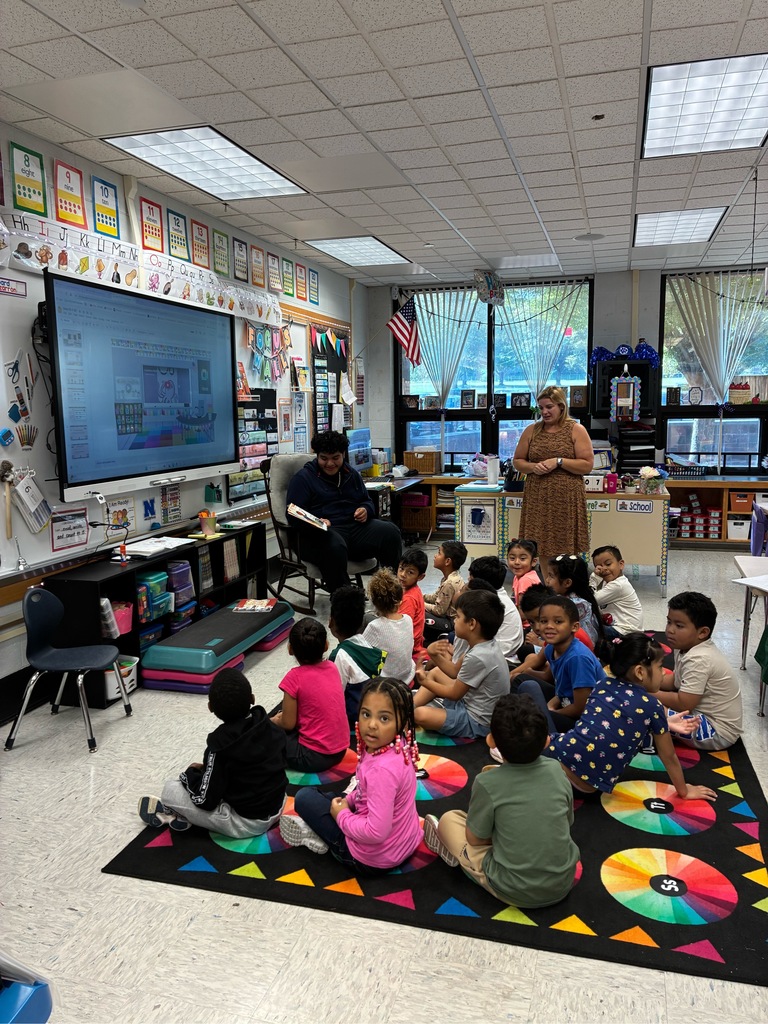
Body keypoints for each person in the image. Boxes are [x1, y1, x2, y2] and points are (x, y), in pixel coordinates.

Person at [423, 694, 579, 908]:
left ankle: (461, 857)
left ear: (491, 741)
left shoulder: (488, 782)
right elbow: (567, 821)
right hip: (563, 882)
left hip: (512, 888)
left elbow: (475, 839)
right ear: (546, 741)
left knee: (450, 820)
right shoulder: (556, 770)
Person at [541, 632, 718, 801]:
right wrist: (684, 791)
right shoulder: (652, 705)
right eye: (659, 666)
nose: (664, 672)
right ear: (640, 672)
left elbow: (613, 721)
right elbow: (669, 756)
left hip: (555, 758)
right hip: (586, 787)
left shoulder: (603, 684)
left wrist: (665, 722)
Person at [279, 678, 422, 873]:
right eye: (366, 714)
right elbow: (371, 792)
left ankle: (318, 834)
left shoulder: (381, 771)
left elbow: (376, 832)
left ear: (402, 722)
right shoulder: (399, 744)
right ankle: (334, 815)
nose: (372, 725)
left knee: (305, 798)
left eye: (384, 718)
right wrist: (350, 801)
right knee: (338, 799)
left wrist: (342, 815)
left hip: (371, 859)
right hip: (405, 842)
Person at [138, 668, 287, 837]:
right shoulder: (270, 727)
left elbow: (205, 800)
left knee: (170, 790)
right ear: (252, 699)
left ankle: (177, 811)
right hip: (278, 804)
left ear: (210, 708)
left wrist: (190, 775)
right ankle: (186, 816)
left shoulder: (219, 747)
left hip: (247, 823)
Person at [285, 430, 402, 594]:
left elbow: (367, 501)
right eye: (324, 458)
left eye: (335, 458)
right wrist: (316, 522)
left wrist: (365, 510)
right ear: (317, 456)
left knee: (390, 532)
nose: (330, 463)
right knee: (334, 545)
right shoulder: (303, 479)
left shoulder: (351, 474)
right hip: (318, 535)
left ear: (343, 455)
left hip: (352, 529)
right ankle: (345, 599)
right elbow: (293, 513)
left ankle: (391, 592)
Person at [512, 385, 593, 567]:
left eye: (549, 407)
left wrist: (559, 461)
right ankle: (547, 579)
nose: (544, 412)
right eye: (541, 408)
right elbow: (517, 461)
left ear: (561, 406)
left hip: (566, 498)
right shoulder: (532, 430)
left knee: (565, 544)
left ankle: (565, 580)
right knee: (540, 543)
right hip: (538, 497)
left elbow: (587, 464)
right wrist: (533, 467)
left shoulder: (576, 429)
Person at [413, 589, 510, 739]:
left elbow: (454, 694)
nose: (454, 620)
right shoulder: (484, 644)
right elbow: (454, 671)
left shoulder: (479, 656)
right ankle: (409, 706)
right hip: (468, 701)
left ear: (472, 624)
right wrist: (433, 654)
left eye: (458, 617)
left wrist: (424, 681)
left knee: (420, 715)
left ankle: (409, 711)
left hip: (477, 720)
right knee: (437, 672)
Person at [657, 592, 743, 750]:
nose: (670, 630)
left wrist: (647, 693)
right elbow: (675, 681)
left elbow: (683, 703)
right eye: (669, 622)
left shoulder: (699, 659)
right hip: (699, 714)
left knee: (645, 708)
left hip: (715, 731)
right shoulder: (685, 646)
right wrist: (644, 682)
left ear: (703, 632)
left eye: (679, 626)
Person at [511, 595, 607, 733]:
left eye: (558, 621)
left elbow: (581, 708)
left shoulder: (578, 658)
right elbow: (550, 678)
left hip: (587, 721)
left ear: (574, 627)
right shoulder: (552, 648)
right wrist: (526, 672)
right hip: (564, 701)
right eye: (543, 621)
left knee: (531, 718)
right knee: (520, 680)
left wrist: (551, 712)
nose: (549, 626)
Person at [271, 617, 350, 772]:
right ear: (326, 645)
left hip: (312, 757)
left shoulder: (293, 677)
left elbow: (287, 723)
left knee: (269, 732)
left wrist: (273, 721)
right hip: (341, 749)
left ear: (290, 650)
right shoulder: (332, 667)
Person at [328, 585, 386, 722]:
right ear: (361, 623)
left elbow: (335, 697)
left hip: (352, 718)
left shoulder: (338, 656)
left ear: (331, 622)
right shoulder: (365, 643)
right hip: (370, 707)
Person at [362, 568, 416, 686]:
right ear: (400, 601)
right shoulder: (408, 619)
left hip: (388, 683)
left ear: (374, 603)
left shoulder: (375, 627)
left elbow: (361, 654)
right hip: (408, 675)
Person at [545, 553, 605, 654]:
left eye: (551, 576)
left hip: (579, 651)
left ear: (567, 583)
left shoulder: (576, 604)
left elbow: (557, 631)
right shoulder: (564, 598)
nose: (547, 580)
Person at [467, 555, 524, 661]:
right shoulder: (500, 596)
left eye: (470, 576)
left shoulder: (488, 603)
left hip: (499, 656)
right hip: (504, 652)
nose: (468, 580)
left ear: (479, 582)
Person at [589, 545, 644, 637]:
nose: (604, 569)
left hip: (627, 633)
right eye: (599, 567)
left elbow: (591, 600)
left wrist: (594, 578)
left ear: (621, 564)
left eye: (608, 564)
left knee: (587, 627)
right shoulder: (608, 581)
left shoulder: (619, 585)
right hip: (617, 627)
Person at [423, 540, 468, 643]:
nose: (435, 556)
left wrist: (420, 603)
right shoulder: (449, 578)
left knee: (419, 612)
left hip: (451, 622)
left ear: (447, 561)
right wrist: (420, 596)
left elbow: (439, 610)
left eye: (439, 553)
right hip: (447, 618)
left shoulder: (449, 583)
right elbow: (435, 597)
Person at [398, 547, 428, 664]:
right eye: (401, 568)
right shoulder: (413, 590)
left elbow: (401, 630)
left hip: (410, 648)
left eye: (410, 572)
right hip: (414, 643)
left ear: (420, 577)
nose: (403, 574)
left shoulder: (409, 598)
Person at [506, 538, 541, 610]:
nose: (516, 562)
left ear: (534, 561)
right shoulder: (517, 577)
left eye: (522, 558)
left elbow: (523, 611)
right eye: (512, 558)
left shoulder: (526, 580)